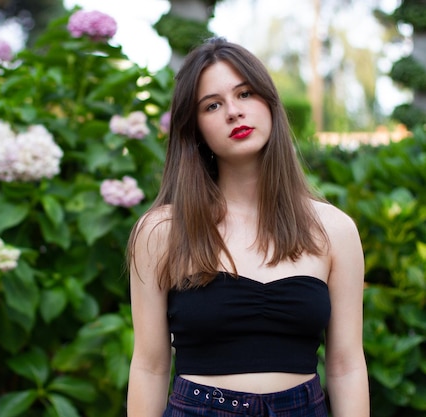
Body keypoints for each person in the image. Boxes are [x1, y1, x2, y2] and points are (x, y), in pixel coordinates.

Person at [126, 37, 369, 417]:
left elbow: (347, 365)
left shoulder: (334, 229)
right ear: (196, 128)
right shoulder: (162, 231)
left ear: (269, 103)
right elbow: (149, 366)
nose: (233, 113)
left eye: (245, 94)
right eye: (213, 105)